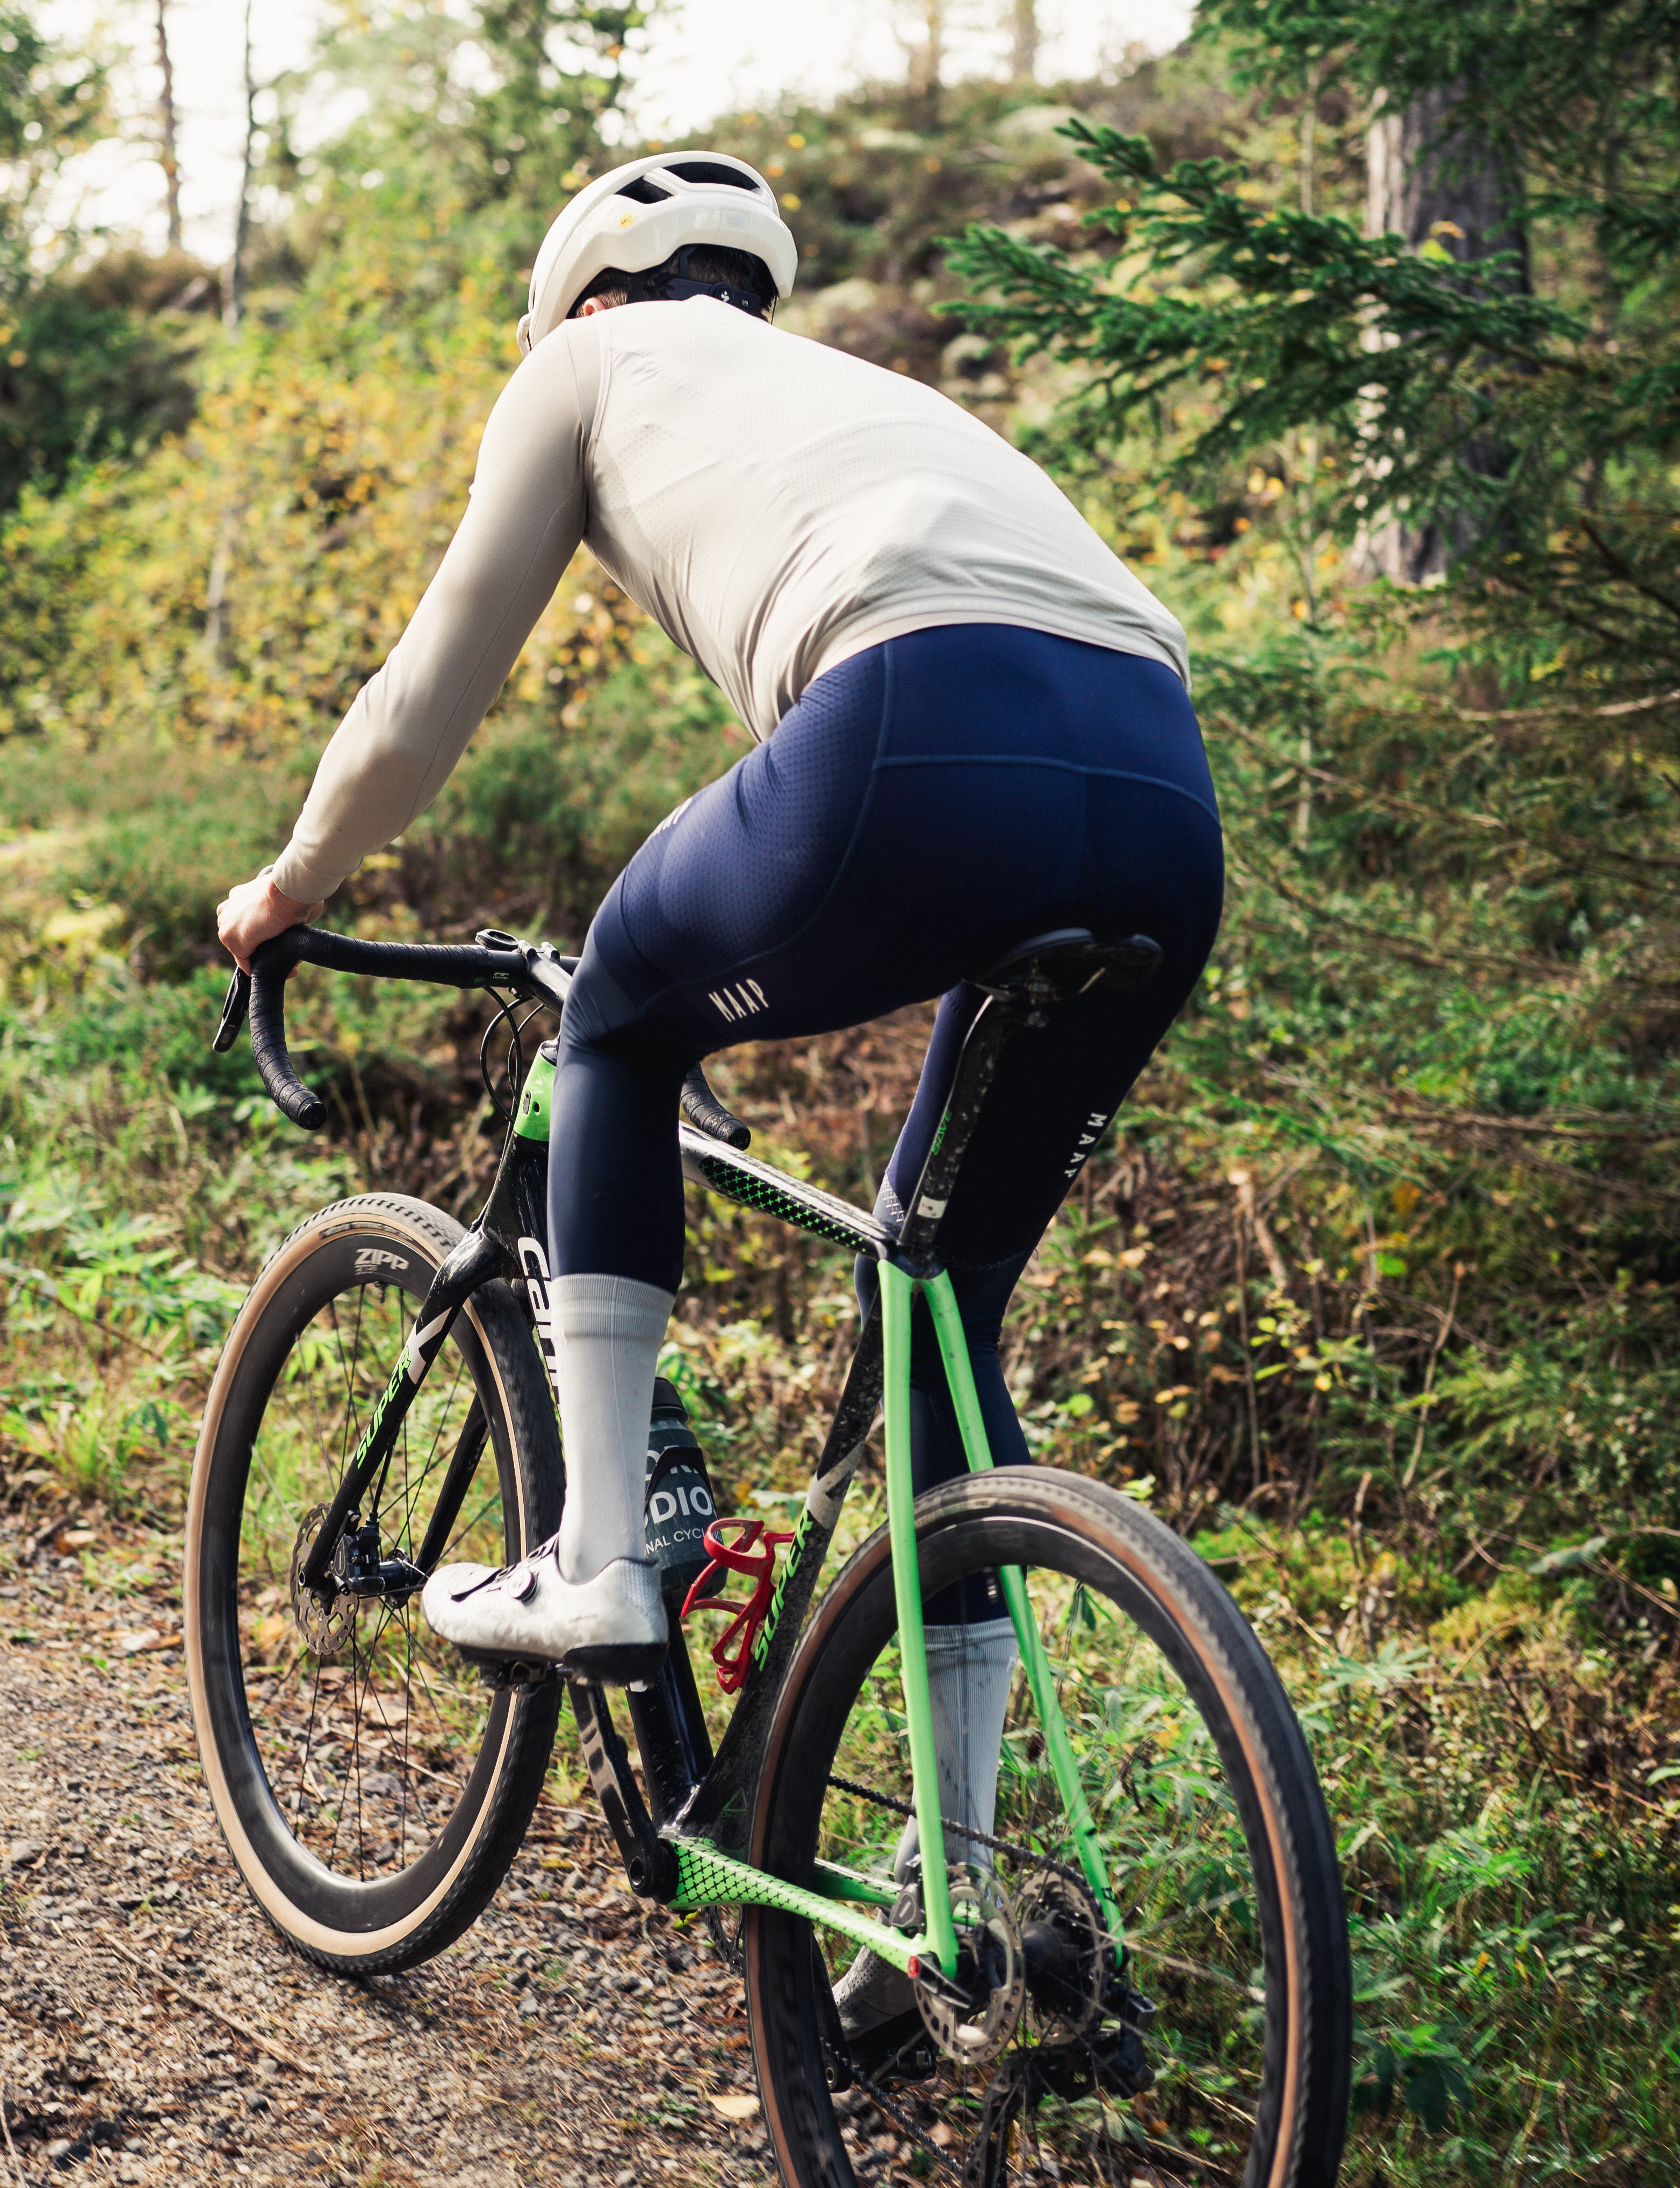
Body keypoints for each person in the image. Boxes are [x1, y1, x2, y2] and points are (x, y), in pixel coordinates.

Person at [217, 147, 1222, 1881]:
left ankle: (599, 1550)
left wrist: (291, 884)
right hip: (1159, 798)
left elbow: (427, 689)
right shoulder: (860, 393)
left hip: (917, 722)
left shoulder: (587, 365)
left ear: (584, 294)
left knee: (612, 1018)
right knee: (937, 1310)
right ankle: (956, 1886)